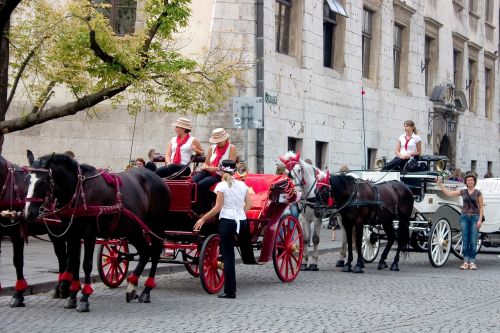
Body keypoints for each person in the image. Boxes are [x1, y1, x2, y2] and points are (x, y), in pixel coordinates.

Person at [193, 160, 251, 299]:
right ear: (234, 171)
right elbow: (249, 205)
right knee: (230, 255)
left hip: (227, 222)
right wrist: (240, 214)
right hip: (242, 222)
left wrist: (202, 219)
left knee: (228, 257)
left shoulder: (221, 185)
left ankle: (230, 291)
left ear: (221, 171)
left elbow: (217, 208)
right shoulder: (243, 185)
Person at [436, 173, 483, 270]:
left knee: (473, 242)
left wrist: (480, 220)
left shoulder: (478, 193)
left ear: (474, 181)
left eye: (471, 180)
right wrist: (440, 185)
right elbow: (449, 193)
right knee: (465, 241)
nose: (470, 181)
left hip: (475, 217)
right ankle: (465, 262)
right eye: (468, 180)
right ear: (465, 182)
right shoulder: (463, 192)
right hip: (464, 217)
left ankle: (472, 262)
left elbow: (481, 207)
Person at [192, 128, 238, 213]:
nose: (218, 143)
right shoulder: (212, 148)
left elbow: (230, 166)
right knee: (192, 182)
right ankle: (194, 206)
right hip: (208, 171)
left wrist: (215, 168)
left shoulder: (231, 148)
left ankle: (205, 209)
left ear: (225, 139)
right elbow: (206, 163)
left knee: (201, 184)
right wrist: (205, 166)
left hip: (221, 174)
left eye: (220, 141)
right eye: (216, 141)